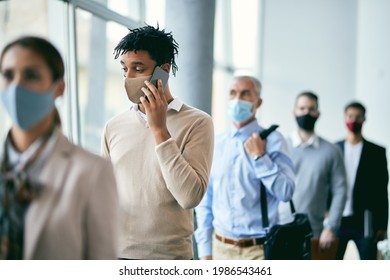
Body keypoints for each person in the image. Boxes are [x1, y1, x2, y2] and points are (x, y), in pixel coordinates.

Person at [101, 25, 214, 260]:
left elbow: (190, 197)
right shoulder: (113, 126)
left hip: (170, 259)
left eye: (138, 68)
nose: (128, 77)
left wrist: (160, 129)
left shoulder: (198, 123)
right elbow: (104, 195)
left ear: (163, 71)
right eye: (124, 69)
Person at [0, 36, 118, 259]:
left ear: (59, 88)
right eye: (8, 75)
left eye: (31, 75)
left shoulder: (92, 172)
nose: (16, 87)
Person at [194, 75, 295, 260]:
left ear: (259, 102)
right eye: (233, 93)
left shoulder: (274, 141)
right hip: (220, 249)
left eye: (245, 93)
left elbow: (286, 192)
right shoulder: (217, 143)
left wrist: (260, 157)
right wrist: (205, 250)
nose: (237, 99)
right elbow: (205, 200)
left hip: (258, 251)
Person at [278, 91, 347, 259]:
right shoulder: (279, 147)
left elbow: (341, 190)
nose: (306, 113)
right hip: (279, 229)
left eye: (311, 109)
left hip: (315, 232)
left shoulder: (332, 151)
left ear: (318, 113)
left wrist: (331, 227)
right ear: (294, 112)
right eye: (302, 108)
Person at [335, 101, 388, 260]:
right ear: (345, 118)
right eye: (350, 116)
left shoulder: (376, 152)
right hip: (338, 219)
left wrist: (382, 225)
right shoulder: (334, 149)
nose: (354, 121)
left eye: (358, 117)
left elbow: (382, 190)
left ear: (364, 119)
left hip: (365, 220)